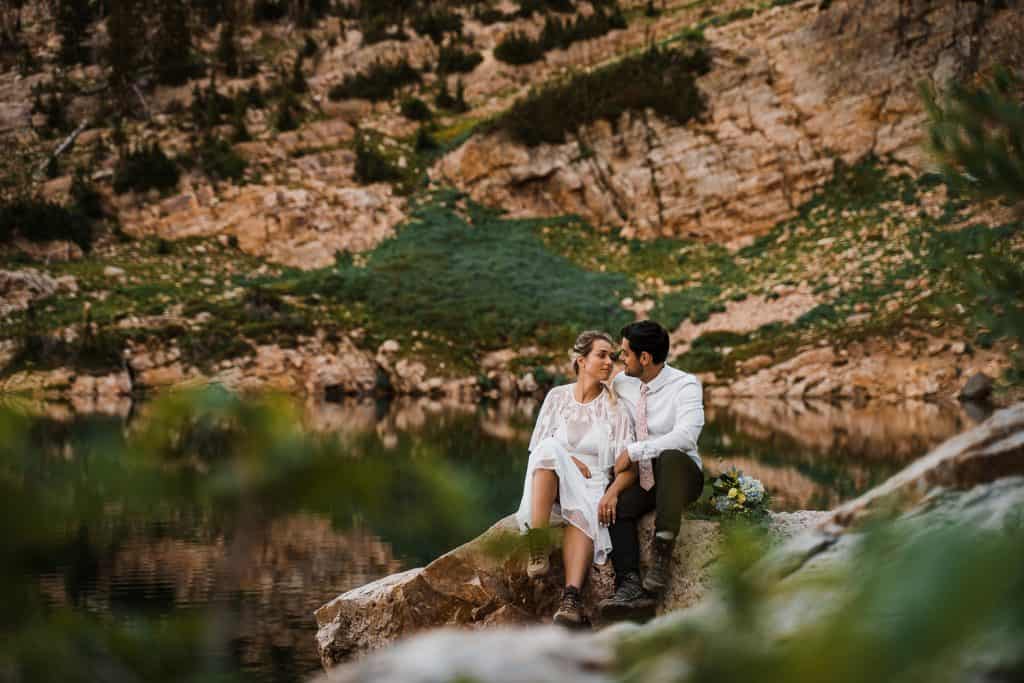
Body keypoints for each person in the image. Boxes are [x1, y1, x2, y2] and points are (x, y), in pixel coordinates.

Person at [515, 330, 636, 628]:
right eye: (602, 355)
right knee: (548, 451)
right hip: (551, 478)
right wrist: (570, 460)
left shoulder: (616, 408)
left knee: (582, 511)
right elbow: (538, 450)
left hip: (594, 482)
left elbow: (629, 468)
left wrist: (612, 493)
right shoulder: (557, 397)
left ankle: (571, 599)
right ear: (581, 360)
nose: (610, 362)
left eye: (612, 356)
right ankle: (538, 541)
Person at [597, 320, 705, 619]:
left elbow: (686, 437)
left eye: (625, 353)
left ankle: (662, 551)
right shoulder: (623, 383)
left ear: (644, 358)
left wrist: (634, 451)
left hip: (682, 475)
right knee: (617, 507)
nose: (621, 359)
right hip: (647, 477)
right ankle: (630, 585)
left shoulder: (685, 385)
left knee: (670, 455)